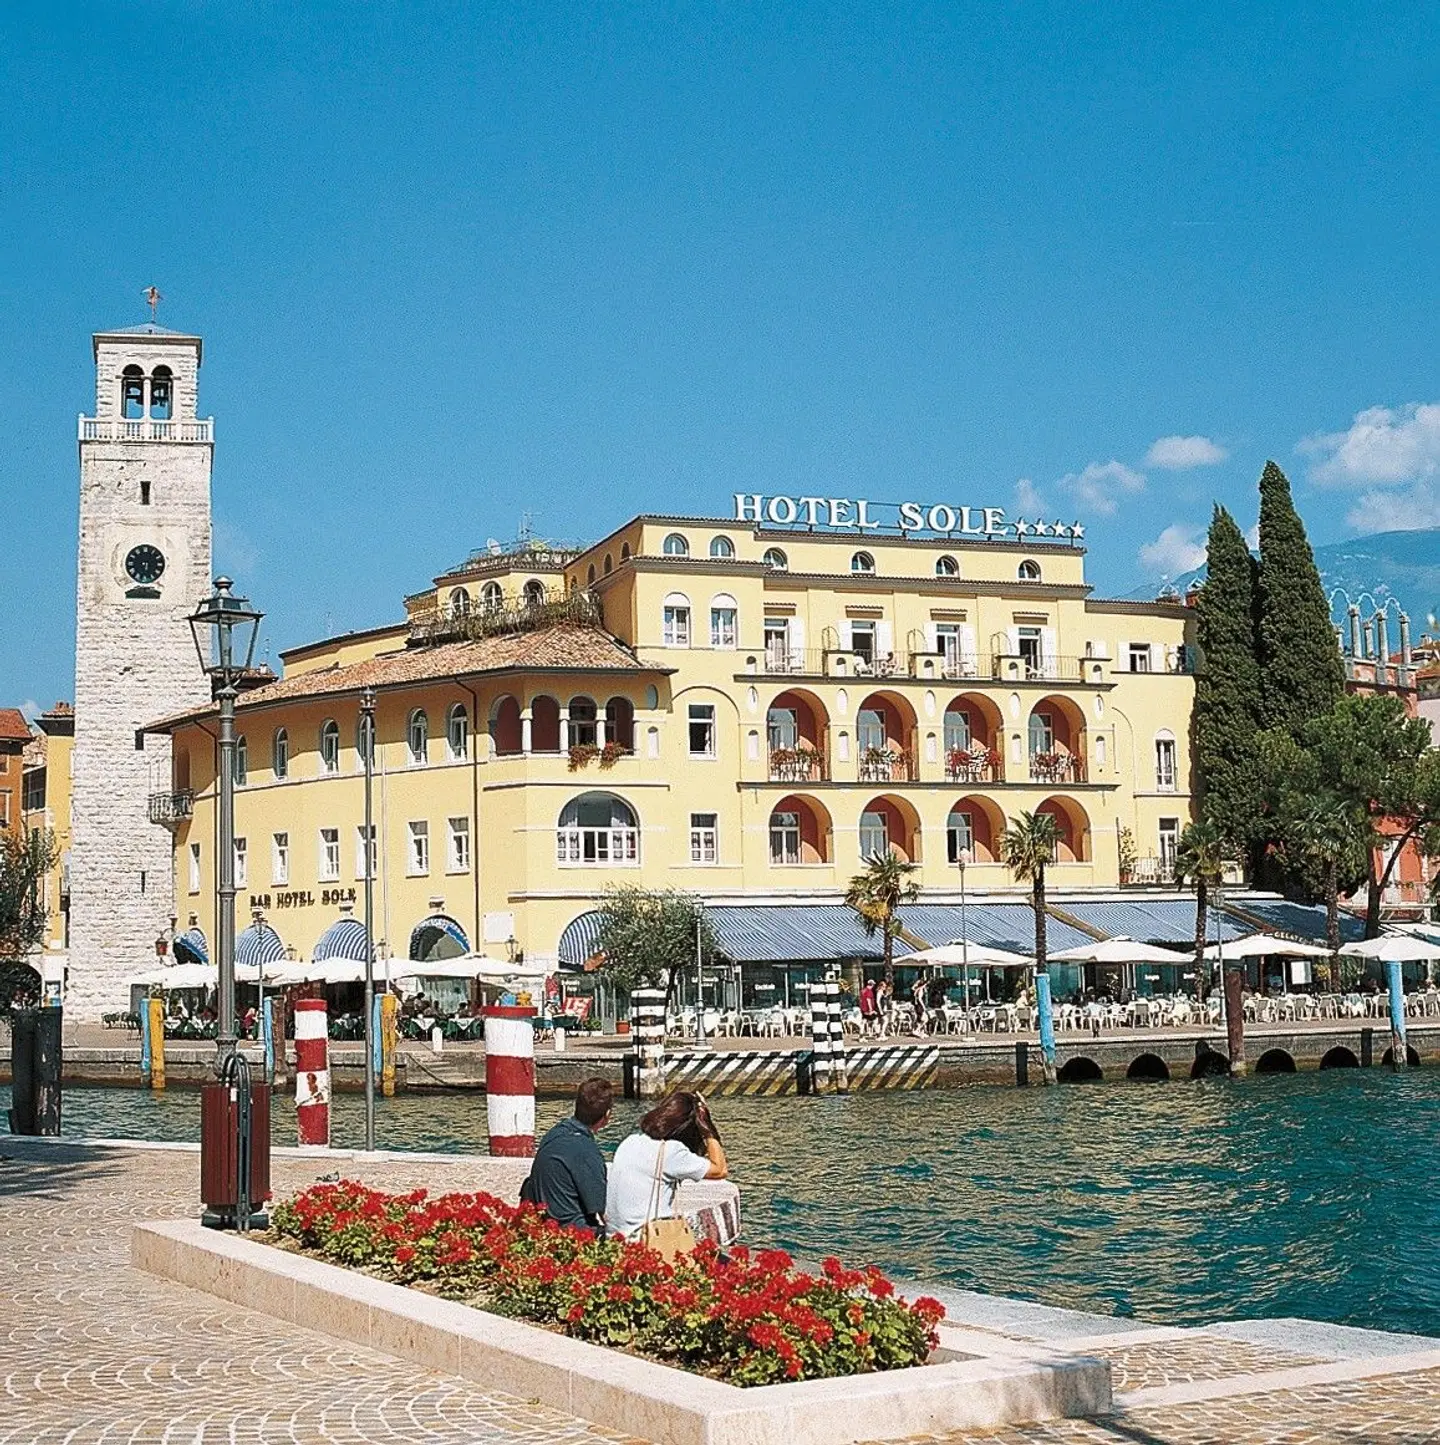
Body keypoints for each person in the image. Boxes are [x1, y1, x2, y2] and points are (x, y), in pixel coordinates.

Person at [605, 1091, 727, 1241]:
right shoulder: (671, 1151)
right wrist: (708, 1129)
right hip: (643, 1239)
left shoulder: (631, 1141)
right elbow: (720, 1170)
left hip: (614, 1236)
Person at [520, 1077, 614, 1234]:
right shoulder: (586, 1151)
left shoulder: (554, 1133)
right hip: (571, 1231)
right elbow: (602, 1209)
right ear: (607, 1115)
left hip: (542, 1220)